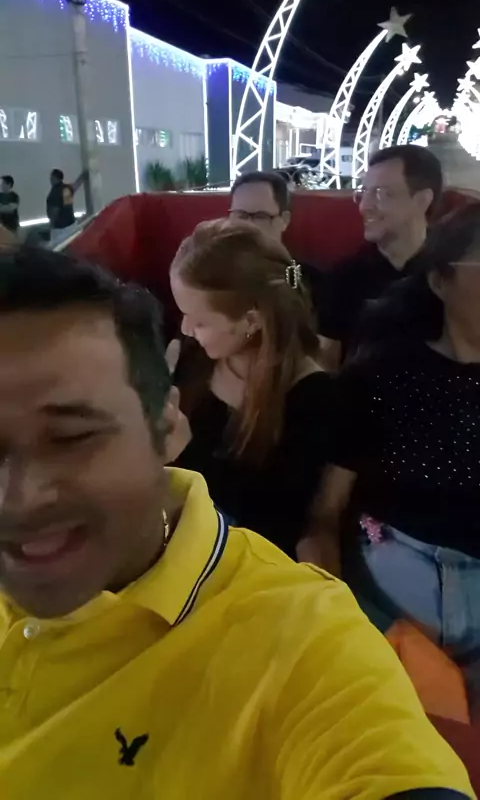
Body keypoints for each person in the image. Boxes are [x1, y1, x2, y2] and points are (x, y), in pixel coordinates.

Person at [0, 244, 472, 800]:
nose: (19, 498)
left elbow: (377, 755)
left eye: (71, 437)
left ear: (165, 424)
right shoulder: (198, 368)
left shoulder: (299, 643)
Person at [311, 203, 480, 664]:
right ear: (440, 280)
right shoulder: (382, 372)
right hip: (391, 598)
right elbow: (325, 513)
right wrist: (339, 611)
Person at [169, 219, 333, 559]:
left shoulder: (313, 397)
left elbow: (275, 521)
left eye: (199, 321)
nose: (185, 329)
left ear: (251, 322)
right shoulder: (196, 357)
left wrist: (185, 450)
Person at [317, 145, 444, 369]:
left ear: (422, 200)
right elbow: (327, 361)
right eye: (364, 192)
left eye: (382, 194)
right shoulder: (344, 278)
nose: (365, 206)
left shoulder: (453, 274)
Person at [230, 171, 324, 327]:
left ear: (284, 220)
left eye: (260, 216)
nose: (248, 225)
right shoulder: (209, 273)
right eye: (240, 215)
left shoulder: (312, 282)